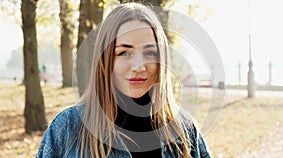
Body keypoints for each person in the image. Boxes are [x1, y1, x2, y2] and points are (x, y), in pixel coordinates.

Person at [36, 2, 210, 158]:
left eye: (150, 53)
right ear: (105, 59)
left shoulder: (184, 130)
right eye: (124, 53)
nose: (139, 66)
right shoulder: (66, 129)